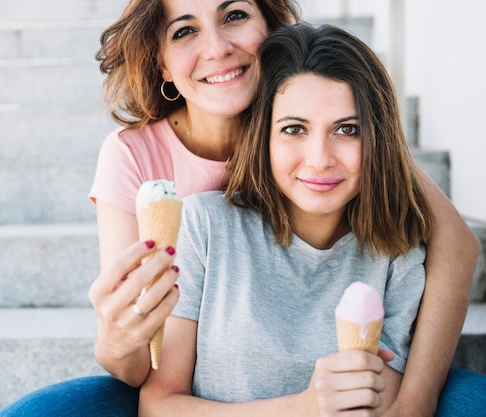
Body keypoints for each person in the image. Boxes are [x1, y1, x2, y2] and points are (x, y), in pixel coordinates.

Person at [0, 0, 483, 415]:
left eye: (234, 16)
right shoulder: (164, 184)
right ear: (161, 62)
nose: (216, 48)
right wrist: (113, 340)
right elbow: (148, 371)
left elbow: (451, 240)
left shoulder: (317, 108)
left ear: (272, 30)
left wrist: (412, 405)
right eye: (184, 30)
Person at [139, 22, 434, 415]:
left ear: (377, 140)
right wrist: (304, 407)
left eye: (347, 130)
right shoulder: (203, 226)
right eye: (294, 129)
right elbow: (157, 404)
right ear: (264, 137)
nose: (319, 158)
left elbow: (386, 406)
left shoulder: (397, 254)